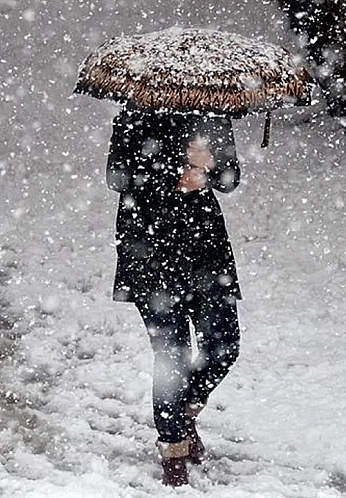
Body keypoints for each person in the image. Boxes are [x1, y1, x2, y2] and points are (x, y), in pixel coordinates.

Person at [106, 105, 242, 486]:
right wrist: (176, 169)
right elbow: (117, 177)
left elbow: (230, 179)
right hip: (149, 249)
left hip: (205, 250)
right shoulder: (134, 116)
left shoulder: (213, 115)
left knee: (224, 344)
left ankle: (181, 414)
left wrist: (209, 167)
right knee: (172, 356)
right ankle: (173, 452)